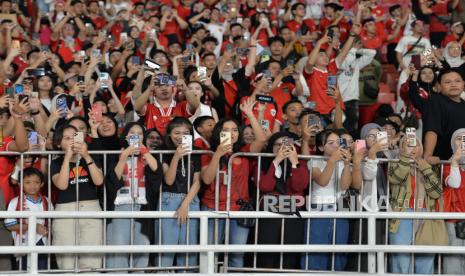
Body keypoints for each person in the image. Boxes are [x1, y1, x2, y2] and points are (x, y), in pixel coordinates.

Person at [200, 98, 267, 267]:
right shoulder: (208, 153)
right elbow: (207, 179)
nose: (231, 133)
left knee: (237, 256)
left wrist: (250, 114)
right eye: (226, 130)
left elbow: (261, 139)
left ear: (239, 134)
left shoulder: (244, 152)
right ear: (218, 133)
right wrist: (218, 154)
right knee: (209, 256)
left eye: (235, 130)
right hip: (212, 209)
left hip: (238, 211)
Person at [105, 122, 162, 271]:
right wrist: (124, 156)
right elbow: (112, 181)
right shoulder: (116, 154)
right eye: (132, 132)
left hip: (143, 206)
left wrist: (144, 151)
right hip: (120, 205)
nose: (136, 135)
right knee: (118, 249)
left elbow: (157, 172)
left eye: (140, 133)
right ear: (125, 136)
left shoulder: (147, 154)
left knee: (142, 249)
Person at [50, 124, 104, 270]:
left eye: (74, 137)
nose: (72, 141)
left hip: (91, 208)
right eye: (66, 138)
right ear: (58, 143)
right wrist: (67, 158)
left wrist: (86, 155)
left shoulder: (89, 157)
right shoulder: (55, 162)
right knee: (66, 261)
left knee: (91, 260)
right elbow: (61, 185)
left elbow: (99, 181)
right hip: (65, 210)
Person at [254, 132, 309, 269]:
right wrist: (276, 161)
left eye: (286, 144)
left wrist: (294, 162)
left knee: (289, 253)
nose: (281, 148)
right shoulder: (262, 162)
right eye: (277, 144)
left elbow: (299, 186)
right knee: (267, 252)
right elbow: (265, 186)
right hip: (269, 213)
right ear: (271, 147)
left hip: (293, 214)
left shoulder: (299, 162)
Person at [301, 129, 354, 271]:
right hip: (320, 208)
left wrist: (347, 163)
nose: (336, 146)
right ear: (320, 147)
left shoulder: (342, 162)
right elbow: (323, 181)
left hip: (340, 207)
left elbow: (344, 186)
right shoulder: (314, 161)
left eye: (338, 142)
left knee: (339, 250)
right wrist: (331, 161)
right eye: (331, 143)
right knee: (316, 249)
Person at [387, 136, 440, 274]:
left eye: (415, 145)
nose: (412, 147)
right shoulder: (395, 163)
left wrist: (427, 169)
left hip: (425, 213)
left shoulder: (428, 166)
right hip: (401, 213)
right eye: (407, 144)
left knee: (425, 260)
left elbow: (436, 193)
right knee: (401, 259)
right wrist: (405, 157)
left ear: (421, 149)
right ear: (401, 148)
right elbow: (395, 178)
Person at [158, 117, 202, 268]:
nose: (181, 136)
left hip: (191, 201)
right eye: (177, 132)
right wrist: (176, 156)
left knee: (188, 250)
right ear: (169, 134)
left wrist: (185, 205)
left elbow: (197, 182)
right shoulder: (163, 151)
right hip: (169, 200)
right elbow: (169, 181)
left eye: (185, 133)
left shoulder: (196, 152)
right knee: (166, 249)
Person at [5, 168, 51, 270]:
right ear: (20, 184)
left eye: (36, 182)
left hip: (42, 242)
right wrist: (34, 227)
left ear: (42, 184)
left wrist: (48, 230)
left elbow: (51, 223)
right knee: (24, 270)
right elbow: (10, 225)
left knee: (42, 271)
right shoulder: (15, 202)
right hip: (23, 244)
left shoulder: (47, 201)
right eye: (27, 182)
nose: (32, 186)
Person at [424, 68, 465, 164]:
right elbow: (432, 129)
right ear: (439, 86)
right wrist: (428, 155)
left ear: (463, 84)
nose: (453, 85)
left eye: (457, 81)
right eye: (447, 82)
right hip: (443, 163)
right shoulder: (436, 101)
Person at [442, 128, 465, 275]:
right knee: (454, 261)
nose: (463, 142)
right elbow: (455, 183)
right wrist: (455, 161)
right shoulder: (447, 164)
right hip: (454, 219)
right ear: (452, 143)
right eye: (459, 139)